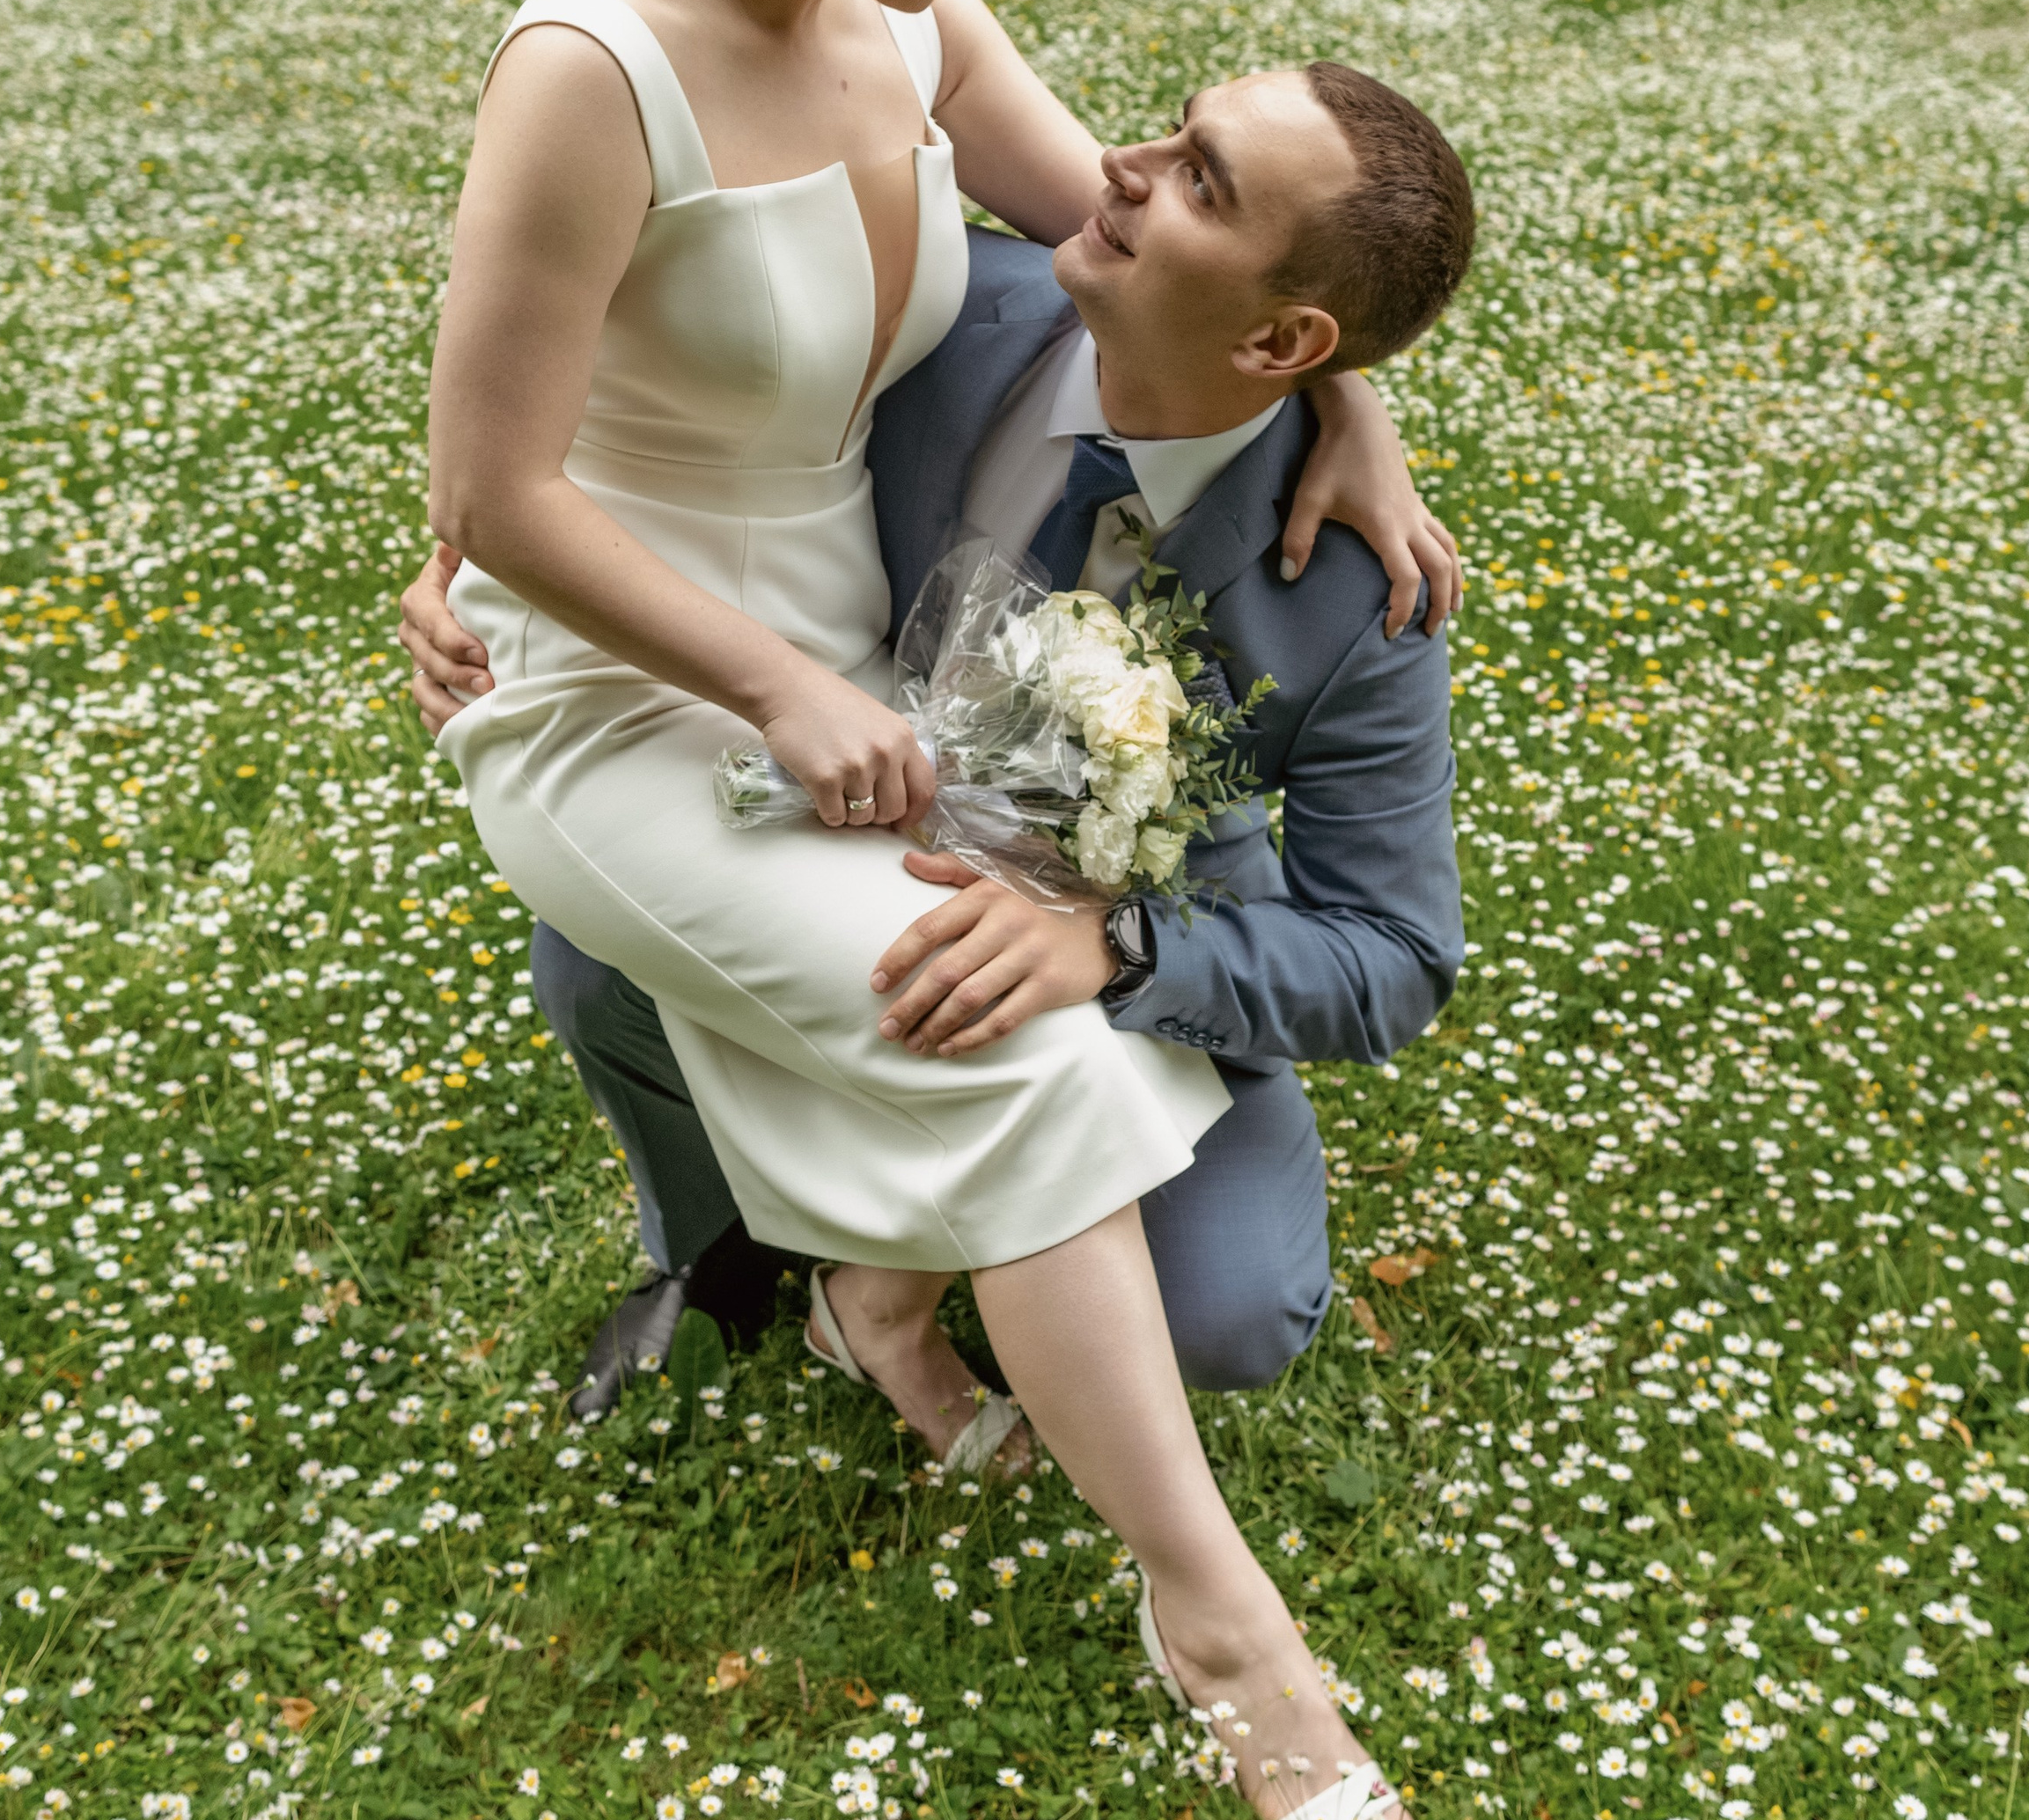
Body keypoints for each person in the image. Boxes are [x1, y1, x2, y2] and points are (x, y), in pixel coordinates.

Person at [422, 0, 1451, 1820]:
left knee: (1036, 1013)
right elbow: (494, 479)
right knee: (985, 1027)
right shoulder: (591, 67)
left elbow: (1172, 247)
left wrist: (1356, 419)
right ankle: (1235, 1647)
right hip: (623, 694)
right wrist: (769, 674)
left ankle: (895, 1325)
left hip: (852, 677)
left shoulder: (912, 21)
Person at [406, 70, 1472, 1442]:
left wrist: (1122, 946)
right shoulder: (922, 311)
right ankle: (724, 1247)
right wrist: (467, 570)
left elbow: (1395, 951)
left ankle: (913, 1262)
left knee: (1231, 1307)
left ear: (1285, 342)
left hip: (1109, 930)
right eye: (1177, 123)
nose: (1127, 163)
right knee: (600, 954)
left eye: (1201, 178)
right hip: (822, 824)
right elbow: (608, 416)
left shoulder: (1359, 590)